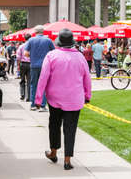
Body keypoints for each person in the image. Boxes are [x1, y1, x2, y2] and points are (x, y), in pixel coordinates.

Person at [35, 29, 91, 171]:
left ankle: (53, 153)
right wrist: (87, 95)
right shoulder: (80, 57)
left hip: (55, 98)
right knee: (70, 129)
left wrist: (38, 97)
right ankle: (67, 161)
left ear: (59, 42)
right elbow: (87, 79)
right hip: (74, 99)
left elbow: (43, 78)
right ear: (72, 43)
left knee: (54, 125)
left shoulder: (51, 55)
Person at [25, 25, 55, 112]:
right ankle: (42, 105)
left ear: (35, 32)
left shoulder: (31, 40)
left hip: (34, 65)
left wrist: (33, 56)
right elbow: (53, 53)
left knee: (33, 84)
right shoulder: (48, 40)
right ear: (43, 31)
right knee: (45, 85)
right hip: (45, 66)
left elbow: (26, 53)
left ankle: (33, 105)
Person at [17, 34, 32, 101]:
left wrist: (18, 65)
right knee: (29, 81)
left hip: (22, 64)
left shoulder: (21, 46)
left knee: (22, 80)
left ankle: (22, 95)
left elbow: (18, 57)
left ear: (24, 39)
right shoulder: (32, 46)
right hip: (30, 64)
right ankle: (28, 97)